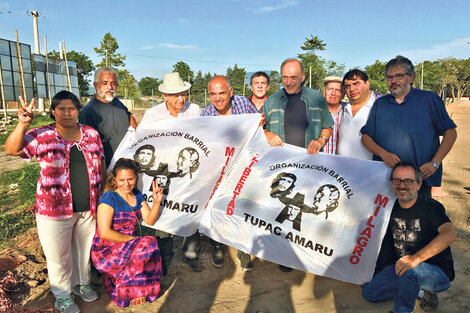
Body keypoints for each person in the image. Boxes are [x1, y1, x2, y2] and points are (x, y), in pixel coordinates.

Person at [5, 91, 104, 313]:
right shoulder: (42, 135)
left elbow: (101, 167)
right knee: (58, 255)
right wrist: (23, 124)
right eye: (62, 108)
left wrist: (101, 198)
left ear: (79, 110)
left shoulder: (91, 134)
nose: (67, 112)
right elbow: (11, 149)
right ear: (53, 111)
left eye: (72, 108)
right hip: (54, 211)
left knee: (83, 250)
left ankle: (81, 284)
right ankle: (63, 296)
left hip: (88, 208)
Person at [362, 161, 457, 313]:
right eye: (397, 180)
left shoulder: (431, 207)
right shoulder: (389, 208)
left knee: (409, 271)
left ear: (419, 184)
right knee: (370, 293)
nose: (402, 185)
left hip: (436, 272)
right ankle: (413, 288)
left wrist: (416, 259)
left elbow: (450, 234)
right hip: (402, 266)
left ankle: (404, 308)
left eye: (408, 181)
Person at [361, 56, 457, 198]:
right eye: (389, 77)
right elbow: (366, 137)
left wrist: (435, 163)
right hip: (386, 181)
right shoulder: (380, 105)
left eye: (399, 76)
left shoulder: (429, 100)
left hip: (419, 181)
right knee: (386, 220)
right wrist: (383, 154)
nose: (394, 81)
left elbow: (451, 133)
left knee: (418, 219)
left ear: (411, 77)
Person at [137, 73, 203, 273]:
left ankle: (191, 253)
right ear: (164, 95)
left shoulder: (195, 111)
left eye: (183, 94)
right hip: (164, 170)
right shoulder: (152, 115)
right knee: (164, 209)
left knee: (191, 208)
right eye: (175, 96)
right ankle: (165, 256)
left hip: (188, 169)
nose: (181, 99)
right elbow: (140, 140)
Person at [201, 75, 258, 271]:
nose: (217, 98)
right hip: (219, 168)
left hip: (243, 166)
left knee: (242, 208)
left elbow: (259, 124)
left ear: (231, 92)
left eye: (222, 93)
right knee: (217, 207)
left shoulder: (243, 104)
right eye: (213, 94)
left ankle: (243, 248)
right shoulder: (206, 115)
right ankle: (217, 245)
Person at [91, 158, 164, 307]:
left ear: (136, 177)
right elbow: (105, 233)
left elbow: (149, 220)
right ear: (115, 179)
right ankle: (125, 290)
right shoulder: (109, 197)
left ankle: (143, 289)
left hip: (128, 245)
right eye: (121, 180)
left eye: (130, 179)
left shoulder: (136, 195)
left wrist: (156, 202)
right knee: (149, 243)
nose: (127, 184)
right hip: (107, 248)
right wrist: (134, 240)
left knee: (149, 245)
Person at [262, 58, 334, 155]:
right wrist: (267, 134)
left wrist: (321, 141)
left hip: (309, 163)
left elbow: (327, 127)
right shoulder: (271, 101)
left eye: (293, 77)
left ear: (303, 77)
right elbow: (258, 128)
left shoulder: (317, 99)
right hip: (279, 164)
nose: (288, 82)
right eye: (285, 77)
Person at [79, 67, 137, 167]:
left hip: (125, 167)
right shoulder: (89, 111)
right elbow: (87, 149)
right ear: (95, 85)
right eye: (104, 83)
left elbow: (126, 113)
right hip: (107, 171)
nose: (110, 87)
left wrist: (131, 117)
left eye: (113, 83)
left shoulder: (116, 101)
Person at [336, 69, 379, 159]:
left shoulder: (379, 104)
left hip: (372, 170)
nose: (352, 89)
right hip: (342, 169)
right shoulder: (343, 108)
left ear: (367, 84)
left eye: (356, 84)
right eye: (347, 86)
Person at [322, 76, 345, 154]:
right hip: (319, 161)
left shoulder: (348, 112)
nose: (333, 93)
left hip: (342, 163)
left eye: (337, 90)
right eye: (330, 89)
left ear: (343, 94)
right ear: (324, 92)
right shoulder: (315, 111)